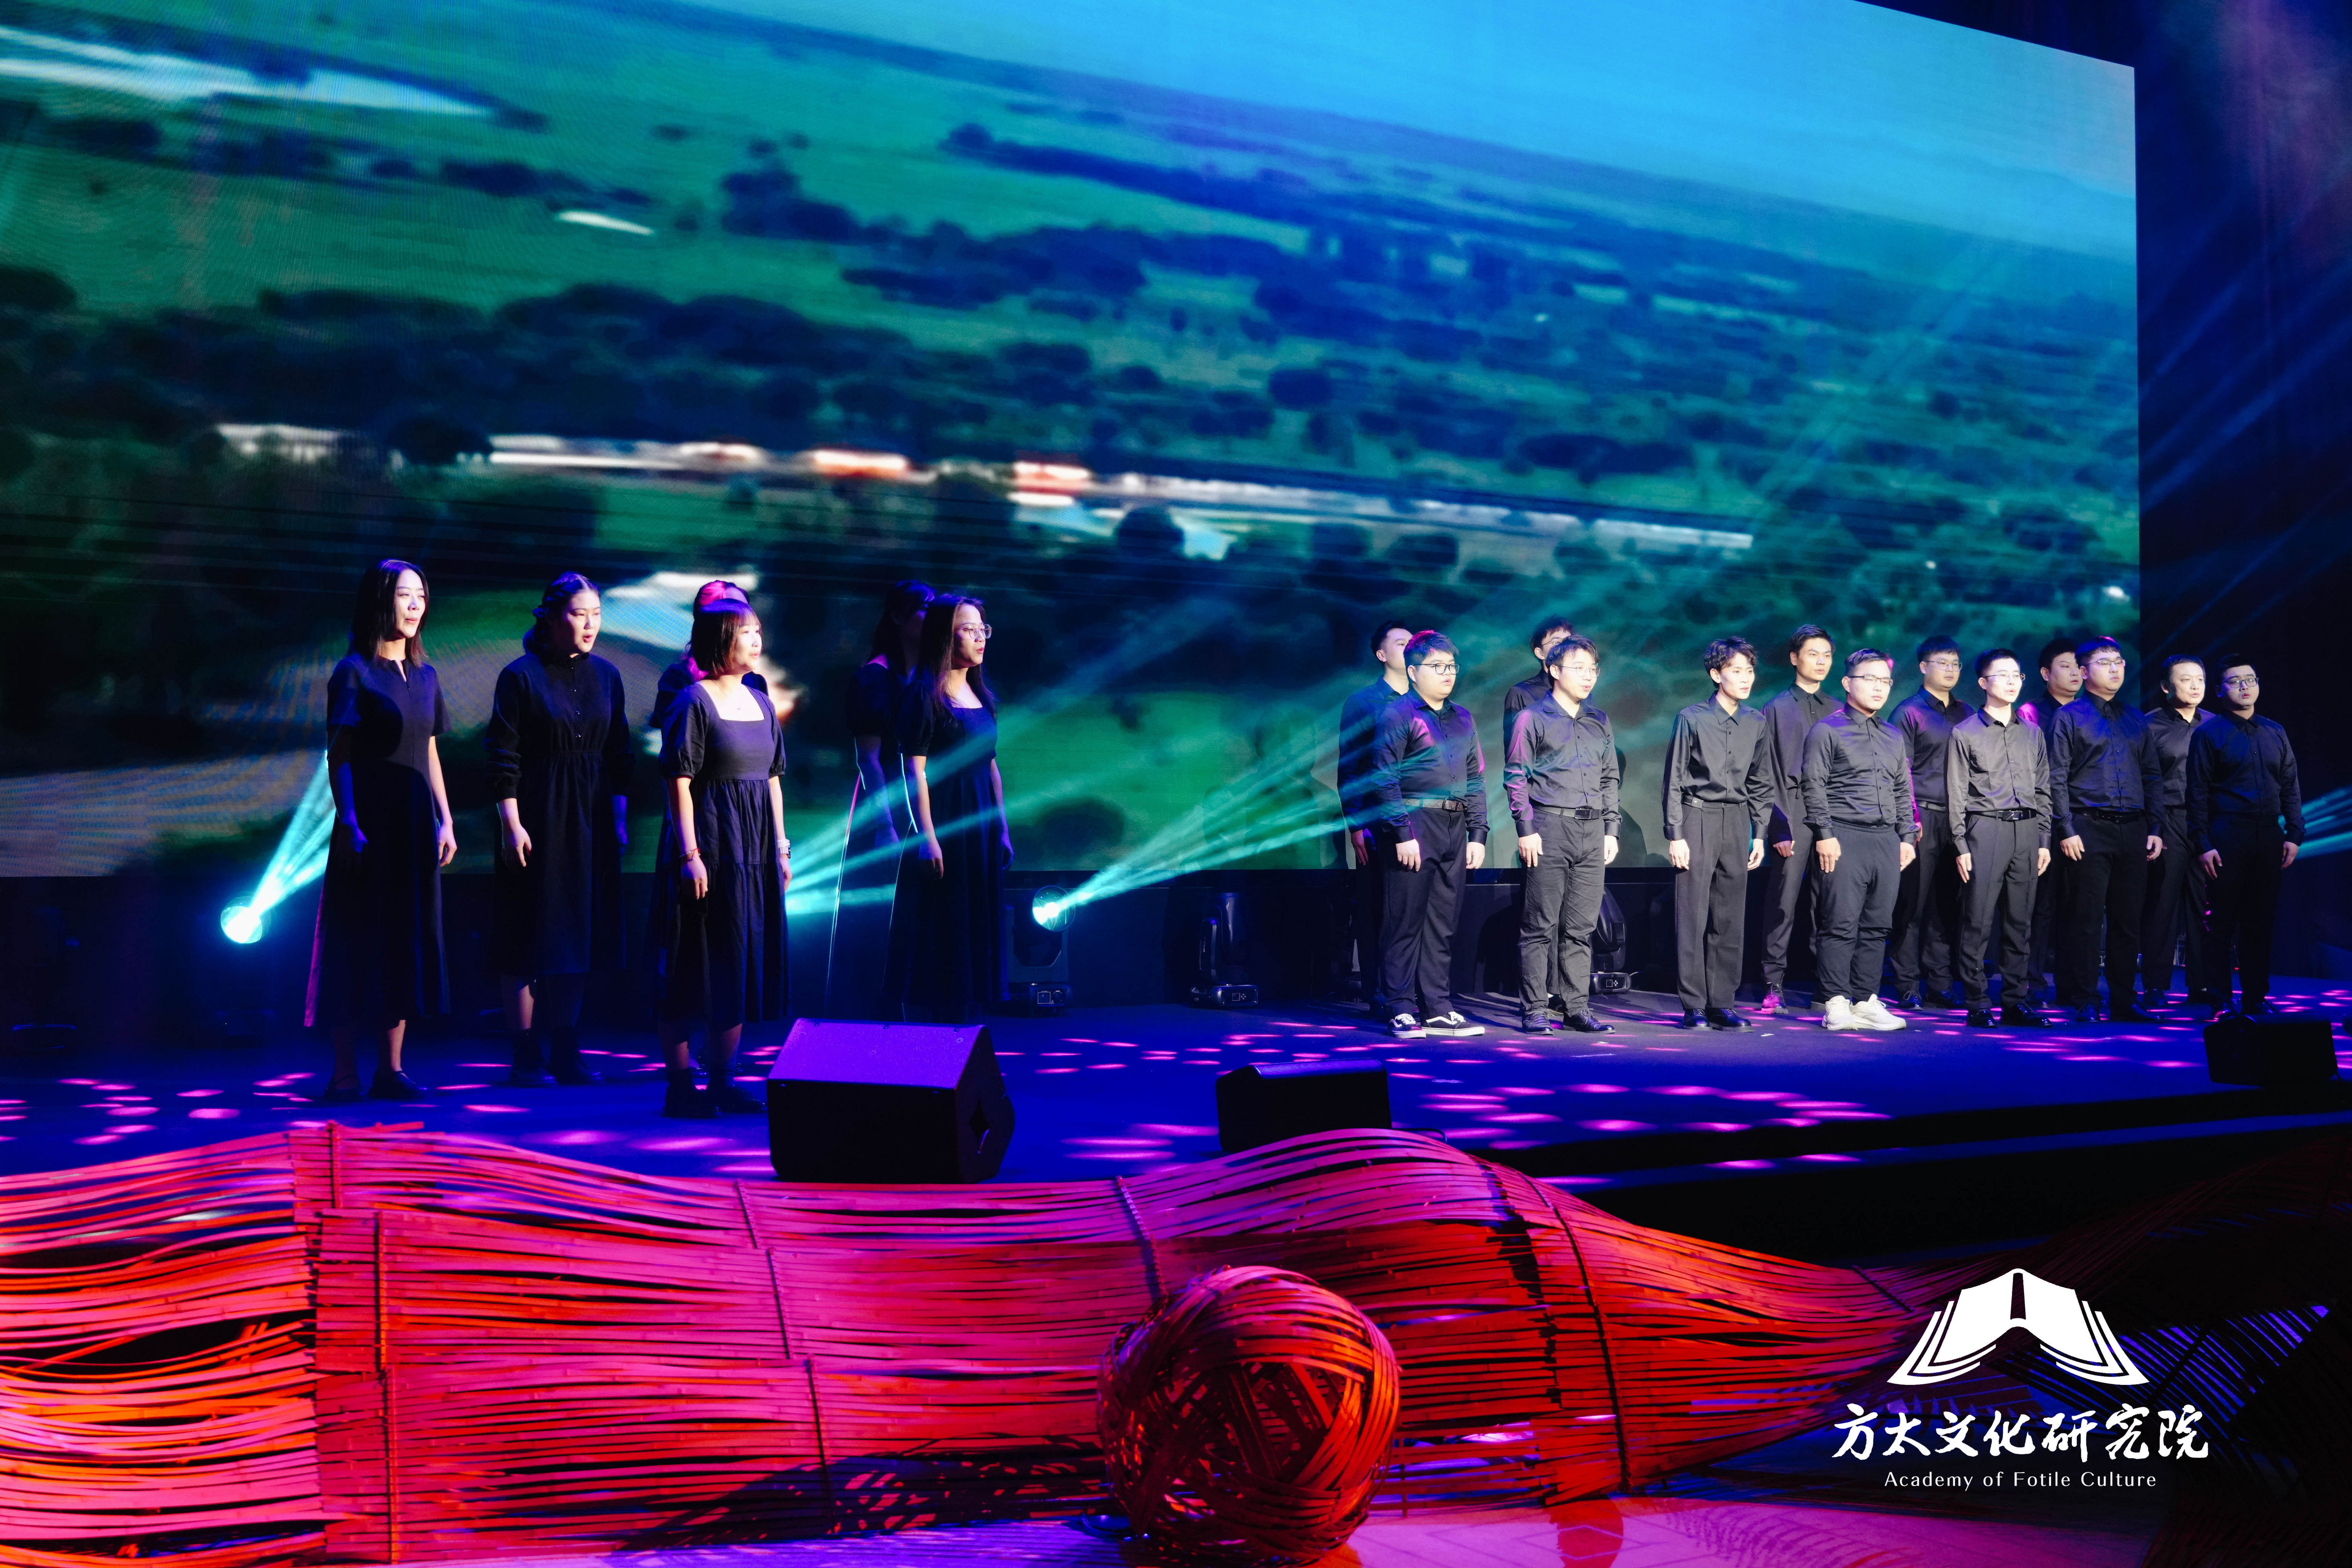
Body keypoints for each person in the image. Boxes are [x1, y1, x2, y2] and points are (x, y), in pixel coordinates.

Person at [307, 560, 455, 1103]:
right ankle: (344, 1072)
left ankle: (391, 1069)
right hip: (369, 824)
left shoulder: (426, 676)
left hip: (413, 825)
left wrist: (445, 817)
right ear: (380, 601)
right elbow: (340, 753)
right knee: (357, 942)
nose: (415, 605)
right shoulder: (353, 672)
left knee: (404, 939)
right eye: (404, 595)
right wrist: (349, 820)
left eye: (421, 595)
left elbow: (430, 749)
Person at [485, 573, 631, 1088]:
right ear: (551, 616)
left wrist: (617, 818)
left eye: (596, 615)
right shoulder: (520, 677)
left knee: (577, 934)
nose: (590, 625)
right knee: (528, 934)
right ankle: (525, 1053)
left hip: (590, 815)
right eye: (578, 614)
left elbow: (620, 753)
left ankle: (567, 1049)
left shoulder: (608, 676)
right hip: (537, 812)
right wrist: (511, 823)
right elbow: (502, 754)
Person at [654, 599, 790, 1118]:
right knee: (692, 964)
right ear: (719, 641)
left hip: (753, 850)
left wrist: (781, 847)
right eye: (745, 632)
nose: (756, 640)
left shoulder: (761, 702)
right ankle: (680, 1085)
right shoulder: (693, 701)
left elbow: (773, 779)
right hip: (711, 846)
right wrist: (690, 854)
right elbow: (679, 783)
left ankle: (723, 1080)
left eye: (758, 630)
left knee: (738, 960)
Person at [886, 595, 1014, 1025]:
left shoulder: (982, 696)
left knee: (974, 927)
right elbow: (914, 772)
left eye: (983, 629)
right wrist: (928, 838)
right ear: (945, 635)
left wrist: (1001, 829)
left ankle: (966, 1027)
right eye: (969, 629)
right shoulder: (924, 695)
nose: (980, 637)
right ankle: (930, 1035)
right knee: (939, 930)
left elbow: (991, 766)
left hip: (979, 826)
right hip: (943, 822)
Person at [1370, 631, 1488, 1039]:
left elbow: (1475, 779)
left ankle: (1437, 1006)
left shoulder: (1463, 717)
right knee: (1404, 921)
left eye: (1451, 666)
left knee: (1443, 922)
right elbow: (1384, 778)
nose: (1447, 673)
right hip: (1415, 824)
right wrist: (1402, 833)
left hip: (1454, 827)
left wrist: (1478, 833)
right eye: (1437, 666)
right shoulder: (1398, 714)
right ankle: (1401, 1007)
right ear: (1413, 671)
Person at [825, 579, 933, 1017]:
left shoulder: (929, 677)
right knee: (871, 919)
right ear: (898, 616)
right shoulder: (875, 677)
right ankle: (864, 1018)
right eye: (924, 608)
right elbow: (868, 759)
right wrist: (887, 826)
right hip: (884, 805)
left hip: (922, 802)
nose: (934, 617)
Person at [2047, 636, 2163, 1025]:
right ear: (2083, 672)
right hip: (2087, 826)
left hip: (2133, 828)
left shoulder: (2136, 718)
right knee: (2086, 919)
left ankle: (2124, 999)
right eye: (2104, 662)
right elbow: (2056, 777)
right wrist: (2066, 828)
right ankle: (2085, 998)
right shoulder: (2069, 717)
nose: (2115, 668)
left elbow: (2152, 775)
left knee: (2128, 921)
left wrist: (2156, 826)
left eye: (2119, 661)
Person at [1506, 634, 1618, 1035]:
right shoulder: (1532, 718)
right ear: (1554, 670)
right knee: (1540, 925)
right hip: (1550, 827)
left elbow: (1609, 777)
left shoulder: (1600, 720)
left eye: (1593, 669)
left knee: (1581, 928)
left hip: (1592, 830)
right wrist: (1526, 829)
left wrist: (1611, 828)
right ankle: (1536, 1008)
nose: (1588, 677)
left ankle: (1576, 1007)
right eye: (1579, 668)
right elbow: (1516, 776)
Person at [1802, 650, 1918, 1033]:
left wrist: (1907, 837)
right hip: (1844, 835)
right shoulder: (1828, 731)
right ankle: (1836, 1001)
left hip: (1885, 839)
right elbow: (1814, 785)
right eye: (1870, 679)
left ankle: (1866, 1000)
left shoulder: (1893, 736)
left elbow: (1902, 789)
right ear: (1848, 683)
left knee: (1877, 925)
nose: (1879, 688)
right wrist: (1824, 835)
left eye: (1885, 681)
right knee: (1840, 922)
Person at [1662, 637, 1774, 1029]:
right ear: (1716, 674)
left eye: (1749, 671)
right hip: (1697, 817)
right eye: (1736, 671)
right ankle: (1694, 1004)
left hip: (1738, 819)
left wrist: (1760, 833)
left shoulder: (1757, 722)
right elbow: (1674, 779)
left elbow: (1762, 781)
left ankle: (1722, 1002)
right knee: (1693, 914)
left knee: (1729, 916)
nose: (1745, 679)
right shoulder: (1691, 718)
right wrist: (1676, 834)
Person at [2189, 660, 2304, 1017]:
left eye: (2250, 680)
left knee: (2261, 921)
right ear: (2219, 690)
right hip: (2227, 833)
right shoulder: (2209, 734)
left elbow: (2290, 785)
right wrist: (2203, 843)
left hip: (2268, 834)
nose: (2244, 687)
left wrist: (2295, 833)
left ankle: (2255, 997)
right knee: (2221, 923)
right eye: (2235, 681)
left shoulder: (2275, 731)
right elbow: (2197, 793)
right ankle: (2220, 998)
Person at [1947, 649, 2052, 1028]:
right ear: (1983, 682)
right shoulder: (1965, 733)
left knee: (2020, 921)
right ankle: (1977, 1002)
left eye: (2016, 675)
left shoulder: (2033, 732)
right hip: (1986, 828)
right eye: (2002, 674)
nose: (2011, 681)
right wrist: (1960, 844)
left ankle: (2015, 1001)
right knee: (1978, 919)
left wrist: (2044, 839)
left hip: (2027, 830)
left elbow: (2043, 789)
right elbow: (1956, 793)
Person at [1336, 618, 1415, 1020]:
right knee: (1377, 908)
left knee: (1412, 910)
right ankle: (1378, 991)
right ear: (1381, 654)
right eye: (1401, 642)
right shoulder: (1363, 702)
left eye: (1413, 642)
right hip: (1376, 820)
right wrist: (1356, 824)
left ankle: (1411, 991)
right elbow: (1350, 768)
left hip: (1423, 820)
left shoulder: (1426, 701)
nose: (1409, 646)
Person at [1758, 625, 1838, 1013]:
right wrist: (1778, 826)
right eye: (1812, 654)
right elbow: (1767, 772)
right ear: (1795, 659)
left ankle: (1830, 987)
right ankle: (1773, 984)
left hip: (1832, 815)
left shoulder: (1839, 708)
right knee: (1783, 903)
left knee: (1831, 903)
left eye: (1827, 655)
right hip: (1792, 810)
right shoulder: (1776, 708)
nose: (1821, 662)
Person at [1888, 636, 1971, 1009]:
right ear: (1924, 667)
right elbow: (1900, 772)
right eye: (1942, 663)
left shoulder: (1967, 713)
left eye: (1955, 664)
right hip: (1921, 816)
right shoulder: (1909, 712)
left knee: (1946, 904)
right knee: (1912, 905)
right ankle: (1907, 983)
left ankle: (1940, 982)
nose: (1950, 670)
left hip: (1959, 820)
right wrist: (1910, 821)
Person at [2140, 655, 2212, 1010]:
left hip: (2207, 823)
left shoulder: (2215, 724)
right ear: (2166, 686)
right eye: (2186, 680)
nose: (2195, 686)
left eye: (2200, 679)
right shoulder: (2149, 725)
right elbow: (2144, 779)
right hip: (2167, 819)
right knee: (2162, 905)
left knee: (2204, 906)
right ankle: (2155, 984)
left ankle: (2203, 984)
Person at [2019, 637, 2085, 1003]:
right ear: (2046, 674)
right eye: (2066, 666)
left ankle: (2072, 984)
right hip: (2045, 822)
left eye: (2078, 666)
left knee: (2077, 906)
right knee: (2040, 906)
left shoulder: (2090, 713)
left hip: (2082, 821)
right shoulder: (2032, 713)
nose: (2075, 672)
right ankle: (2032, 983)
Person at [649, 579, 769, 733]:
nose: (744, 616)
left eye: (746, 609)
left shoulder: (756, 683)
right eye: (733, 609)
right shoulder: (678, 680)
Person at [1501, 614, 1577, 730]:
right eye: (1556, 642)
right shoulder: (1521, 693)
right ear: (1540, 653)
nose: (1564, 647)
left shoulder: (1580, 691)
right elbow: (1515, 740)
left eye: (1568, 642)